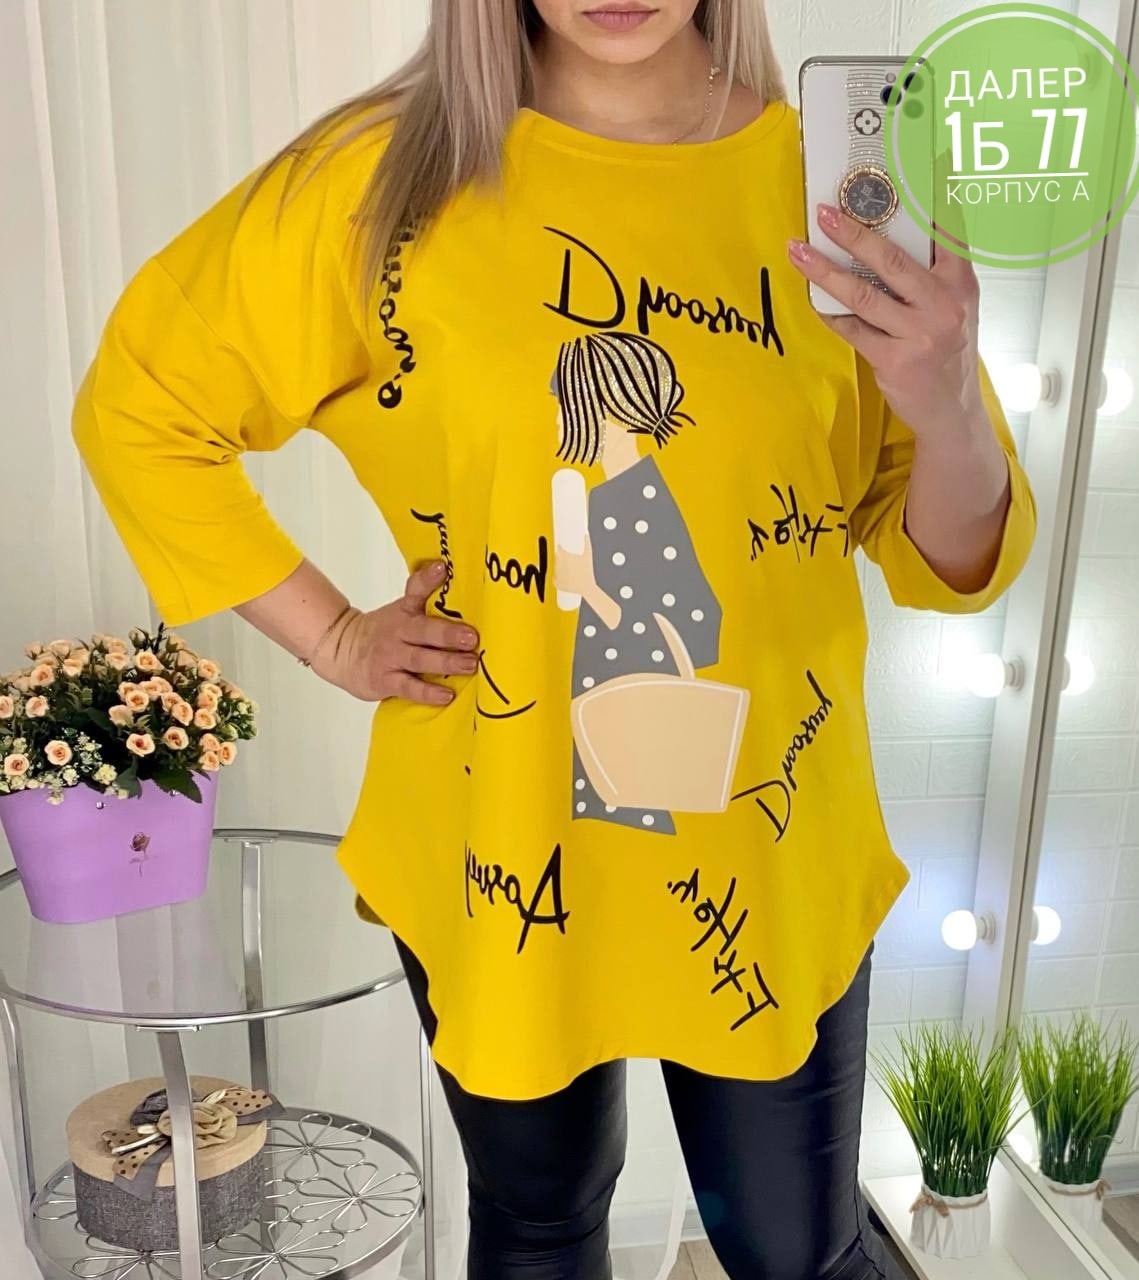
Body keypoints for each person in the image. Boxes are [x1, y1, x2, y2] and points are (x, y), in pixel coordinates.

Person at [72, 2, 1036, 1277]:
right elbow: (141, 402)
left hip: (766, 842)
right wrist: (337, 637)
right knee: (538, 1222)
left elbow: (955, 558)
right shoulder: (381, 181)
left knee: (799, 1250)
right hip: (504, 834)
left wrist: (946, 391)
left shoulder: (839, 188)